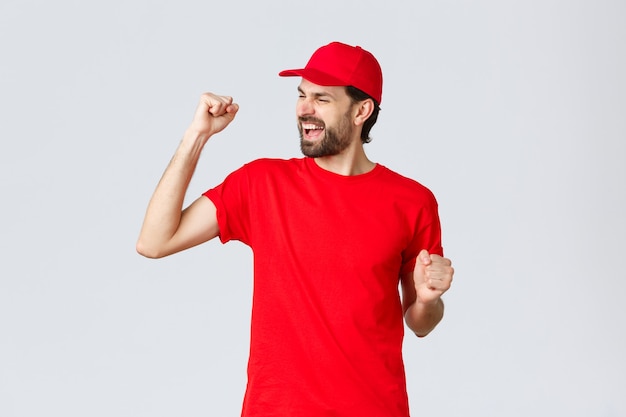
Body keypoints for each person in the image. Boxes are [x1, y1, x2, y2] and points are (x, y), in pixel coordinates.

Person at [137, 41, 454, 417]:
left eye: (322, 99)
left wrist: (429, 299)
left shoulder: (412, 201)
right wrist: (197, 136)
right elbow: (154, 242)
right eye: (302, 95)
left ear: (361, 110)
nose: (304, 108)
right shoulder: (262, 184)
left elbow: (420, 324)